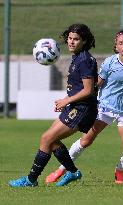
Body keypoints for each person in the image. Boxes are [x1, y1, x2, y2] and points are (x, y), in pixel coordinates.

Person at [9, 23, 98, 187]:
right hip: (75, 106)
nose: (71, 42)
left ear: (84, 41)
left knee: (47, 138)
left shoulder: (84, 60)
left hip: (82, 109)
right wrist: (66, 100)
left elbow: (88, 90)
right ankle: (72, 172)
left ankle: (31, 180)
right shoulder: (78, 57)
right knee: (50, 139)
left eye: (76, 39)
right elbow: (79, 88)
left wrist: (66, 101)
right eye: (70, 38)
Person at [45, 30, 123, 185]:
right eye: (121, 43)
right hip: (105, 107)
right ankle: (61, 170)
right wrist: (72, 100)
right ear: (116, 46)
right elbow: (95, 85)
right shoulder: (109, 63)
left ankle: (119, 170)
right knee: (86, 141)